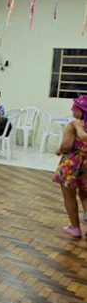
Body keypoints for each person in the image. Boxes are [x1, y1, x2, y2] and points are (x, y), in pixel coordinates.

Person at [53, 95, 87, 239]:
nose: (72, 110)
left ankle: (75, 228)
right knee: (85, 194)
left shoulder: (74, 125)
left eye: (74, 107)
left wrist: (58, 151)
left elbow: (66, 145)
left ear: (81, 111)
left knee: (69, 195)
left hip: (71, 164)